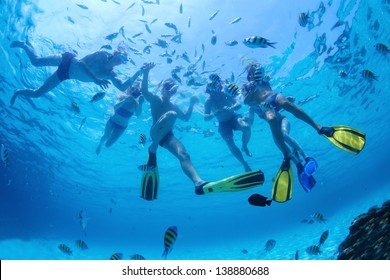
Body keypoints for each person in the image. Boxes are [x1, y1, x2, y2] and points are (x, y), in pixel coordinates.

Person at [242, 63, 366, 203]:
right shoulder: (246, 86)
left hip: (274, 97)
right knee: (271, 119)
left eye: (254, 68)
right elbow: (245, 100)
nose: (253, 69)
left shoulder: (262, 78)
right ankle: (294, 159)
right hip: (265, 106)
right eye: (251, 69)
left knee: (286, 104)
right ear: (248, 74)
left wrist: (261, 75)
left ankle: (319, 129)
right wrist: (252, 89)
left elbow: (266, 77)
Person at [138, 63, 265, 198]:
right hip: (155, 132)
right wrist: (146, 72)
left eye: (173, 90)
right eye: (168, 88)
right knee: (172, 115)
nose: (171, 91)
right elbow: (145, 91)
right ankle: (153, 148)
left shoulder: (173, 105)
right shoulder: (156, 99)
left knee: (184, 155)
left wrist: (192, 104)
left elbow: (186, 118)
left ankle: (198, 183)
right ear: (162, 88)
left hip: (168, 136)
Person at [10, 40, 142, 105]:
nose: (122, 61)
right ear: (116, 53)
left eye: (125, 61)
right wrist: (95, 79)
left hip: (67, 75)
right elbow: (80, 63)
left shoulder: (111, 74)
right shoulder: (101, 55)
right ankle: (25, 45)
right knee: (36, 62)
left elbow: (122, 87)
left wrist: (139, 72)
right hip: (68, 60)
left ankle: (18, 92)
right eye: (122, 57)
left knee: (37, 93)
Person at [246, 95, 317, 192]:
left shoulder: (262, 102)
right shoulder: (252, 109)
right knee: (280, 145)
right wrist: (246, 121)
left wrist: (287, 99)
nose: (251, 103)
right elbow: (250, 122)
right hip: (275, 129)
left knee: (284, 135)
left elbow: (275, 103)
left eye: (251, 100)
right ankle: (299, 165)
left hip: (283, 120)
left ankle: (306, 157)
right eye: (248, 102)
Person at [204, 74, 252, 172]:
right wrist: (214, 114)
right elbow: (206, 117)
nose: (216, 93)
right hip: (222, 124)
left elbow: (238, 104)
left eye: (217, 90)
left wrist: (230, 108)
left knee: (246, 128)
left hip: (234, 118)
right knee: (230, 143)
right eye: (213, 92)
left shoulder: (225, 94)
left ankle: (244, 146)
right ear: (210, 92)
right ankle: (244, 163)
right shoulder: (208, 101)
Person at [96, 79, 144, 155]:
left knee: (108, 145)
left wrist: (141, 103)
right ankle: (99, 145)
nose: (135, 91)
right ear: (130, 89)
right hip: (112, 121)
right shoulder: (122, 96)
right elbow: (115, 107)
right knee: (105, 136)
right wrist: (124, 100)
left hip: (122, 127)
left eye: (137, 91)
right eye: (133, 89)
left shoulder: (136, 104)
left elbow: (138, 114)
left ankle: (104, 151)